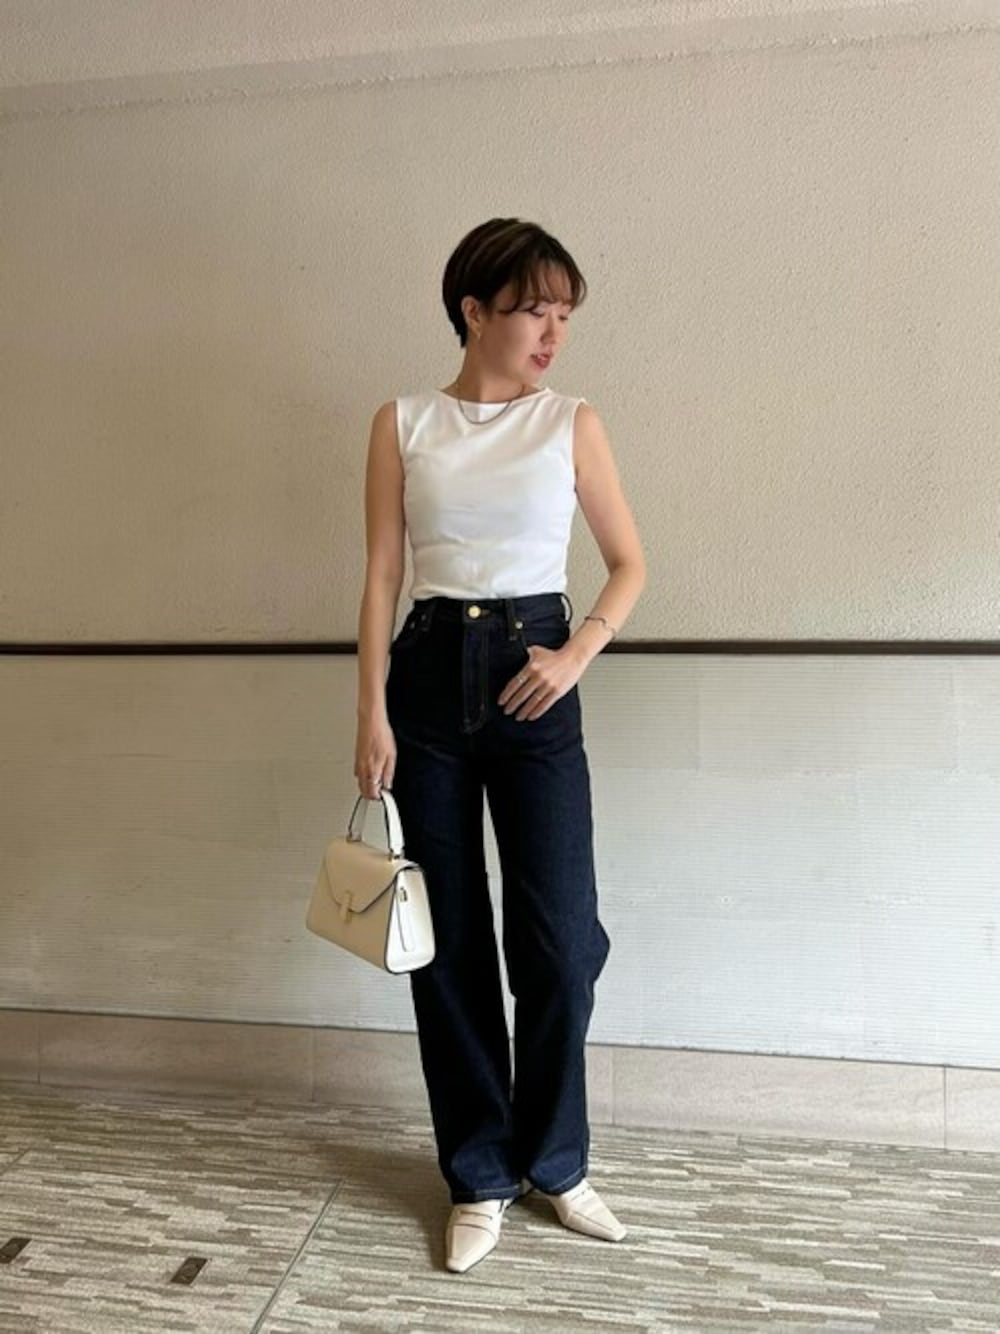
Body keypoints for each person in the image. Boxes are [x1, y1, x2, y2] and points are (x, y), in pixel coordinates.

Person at [354, 217, 646, 1273]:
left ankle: (556, 1161)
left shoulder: (571, 422)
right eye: (533, 311)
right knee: (448, 943)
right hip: (428, 680)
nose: (552, 333)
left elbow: (628, 562)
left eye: (564, 313)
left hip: (537, 673)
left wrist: (575, 654)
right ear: (474, 312)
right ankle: (478, 1172)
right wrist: (370, 710)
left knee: (562, 940)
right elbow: (383, 575)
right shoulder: (403, 423)